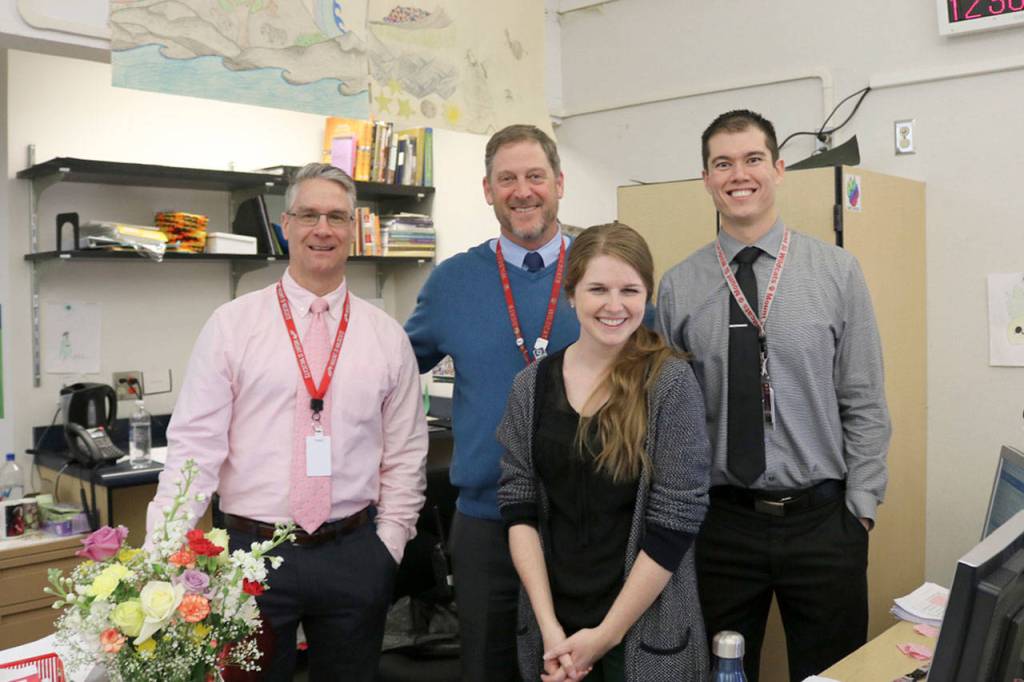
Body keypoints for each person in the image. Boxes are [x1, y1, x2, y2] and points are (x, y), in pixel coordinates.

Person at [146, 163, 428, 681]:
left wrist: (388, 547)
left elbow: (407, 454)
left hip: (353, 553)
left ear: (353, 229)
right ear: (286, 224)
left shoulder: (387, 337)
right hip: (250, 557)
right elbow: (194, 449)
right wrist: (160, 554)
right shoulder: (233, 326)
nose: (323, 229)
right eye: (309, 215)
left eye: (337, 217)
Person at [656, 109, 891, 681]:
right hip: (720, 527)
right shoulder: (678, 287)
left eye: (753, 159)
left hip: (823, 522)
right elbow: (665, 419)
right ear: (707, 180)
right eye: (723, 163)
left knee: (833, 674)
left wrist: (860, 506)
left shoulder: (836, 272)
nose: (740, 174)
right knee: (717, 673)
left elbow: (863, 397)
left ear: (779, 169)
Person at [497, 223, 710, 682]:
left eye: (629, 290)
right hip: (553, 625)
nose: (615, 306)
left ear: (647, 296)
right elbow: (519, 509)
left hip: (640, 629)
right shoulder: (531, 386)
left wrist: (605, 635)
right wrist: (550, 629)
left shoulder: (669, 384)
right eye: (598, 289)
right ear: (571, 294)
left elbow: (675, 523)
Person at [404, 124, 580, 681]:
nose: (522, 191)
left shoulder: (602, 274)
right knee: (488, 668)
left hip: (582, 517)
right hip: (487, 523)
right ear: (487, 189)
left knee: (576, 666)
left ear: (559, 183)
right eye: (507, 179)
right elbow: (389, 372)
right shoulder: (452, 282)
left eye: (535, 176)